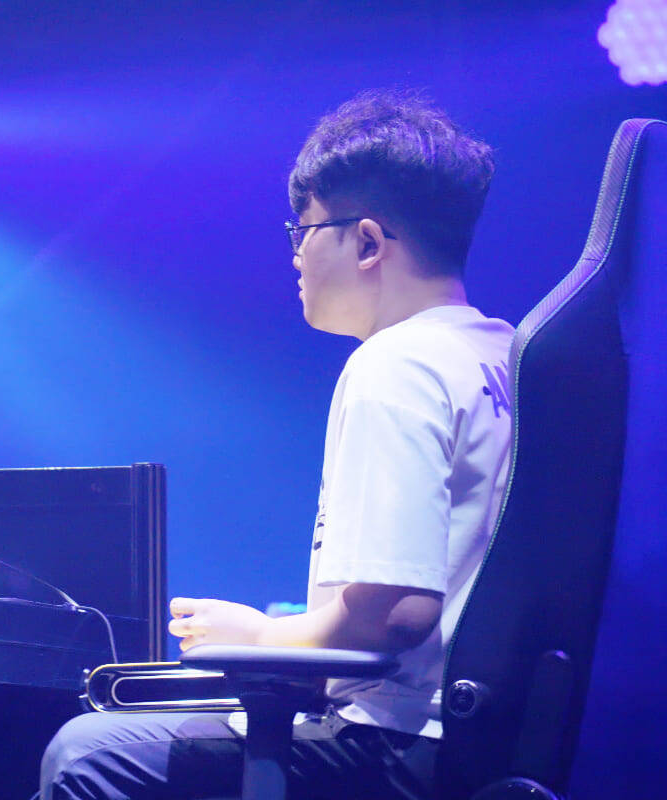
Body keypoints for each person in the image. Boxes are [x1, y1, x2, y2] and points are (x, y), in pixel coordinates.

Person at [40, 89, 514, 800]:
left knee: (84, 754)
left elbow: (394, 614)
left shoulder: (396, 364)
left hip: (395, 744)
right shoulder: (504, 355)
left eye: (305, 230)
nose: (295, 256)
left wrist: (259, 637)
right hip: (474, 744)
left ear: (367, 242)